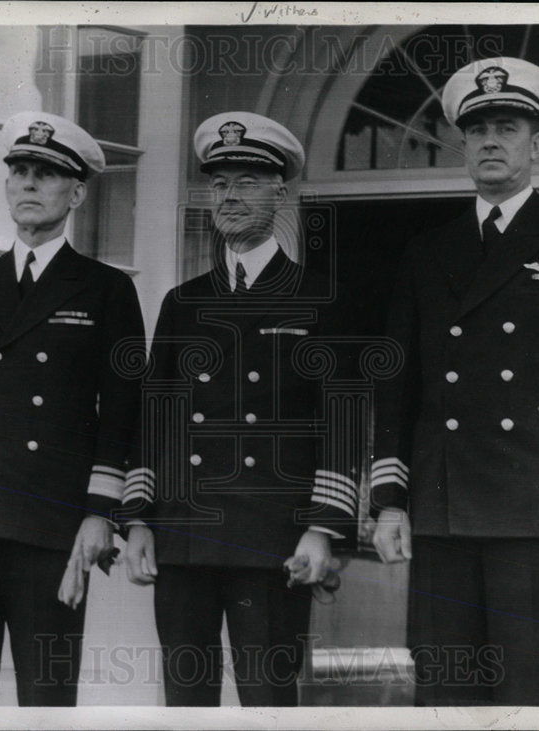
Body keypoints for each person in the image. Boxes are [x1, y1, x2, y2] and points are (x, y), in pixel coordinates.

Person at [370, 57, 539, 706]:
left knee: (526, 689)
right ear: (463, 140)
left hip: (537, 507)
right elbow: (396, 383)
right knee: (443, 687)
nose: (492, 139)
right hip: (443, 506)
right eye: (479, 127)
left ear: (535, 141)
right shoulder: (426, 250)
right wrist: (389, 499)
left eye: (508, 126)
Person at [0, 111, 145, 706]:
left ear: (78, 193)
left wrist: (100, 514)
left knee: (46, 697)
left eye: (45, 173)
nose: (29, 185)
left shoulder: (107, 290)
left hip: (52, 525)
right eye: (19, 172)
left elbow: (122, 414)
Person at [119, 112, 356, 706]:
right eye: (219, 184)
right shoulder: (183, 301)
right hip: (184, 532)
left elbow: (343, 425)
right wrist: (140, 518)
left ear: (281, 191)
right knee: (186, 700)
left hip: (272, 538)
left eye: (247, 181)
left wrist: (322, 529)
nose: (228, 196)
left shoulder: (319, 298)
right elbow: (156, 416)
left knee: (267, 700)